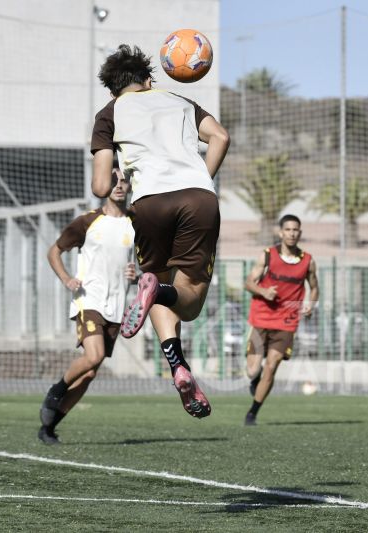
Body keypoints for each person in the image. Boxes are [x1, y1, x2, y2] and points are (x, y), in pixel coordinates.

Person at [90, 45, 230, 418]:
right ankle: (160, 292)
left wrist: (118, 168)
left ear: (112, 89)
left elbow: (101, 186)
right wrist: (201, 179)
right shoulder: (179, 99)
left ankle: (177, 366)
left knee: (157, 279)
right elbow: (221, 137)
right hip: (197, 198)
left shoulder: (109, 113)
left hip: (149, 204)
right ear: (149, 79)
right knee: (190, 302)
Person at [39, 168, 136, 445]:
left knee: (91, 372)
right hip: (89, 300)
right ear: (103, 184)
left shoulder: (135, 224)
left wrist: (136, 275)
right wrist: (67, 279)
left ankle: (49, 426)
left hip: (116, 307)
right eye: (113, 179)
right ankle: (56, 390)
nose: (119, 185)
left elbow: (144, 264)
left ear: (130, 185)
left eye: (124, 180)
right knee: (93, 357)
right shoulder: (88, 221)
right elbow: (53, 251)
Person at [243, 214, 319, 426]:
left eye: (295, 230)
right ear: (281, 232)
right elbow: (248, 282)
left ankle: (252, 413)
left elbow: (314, 288)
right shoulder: (267, 255)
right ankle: (255, 380)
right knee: (252, 370)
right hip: (261, 318)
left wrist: (310, 305)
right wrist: (263, 291)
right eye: (288, 230)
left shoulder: (308, 261)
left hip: (286, 323)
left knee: (272, 365)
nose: (292, 233)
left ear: (300, 233)